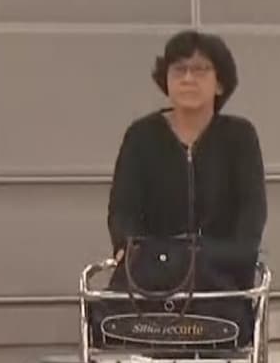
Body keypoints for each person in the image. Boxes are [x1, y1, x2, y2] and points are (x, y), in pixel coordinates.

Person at [104, 30, 268, 344]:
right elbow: (122, 209)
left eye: (200, 69)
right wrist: (131, 247)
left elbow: (252, 212)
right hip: (150, 276)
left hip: (219, 275)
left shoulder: (240, 137)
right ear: (165, 80)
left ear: (219, 83)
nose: (188, 78)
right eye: (179, 70)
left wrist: (217, 255)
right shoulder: (141, 136)